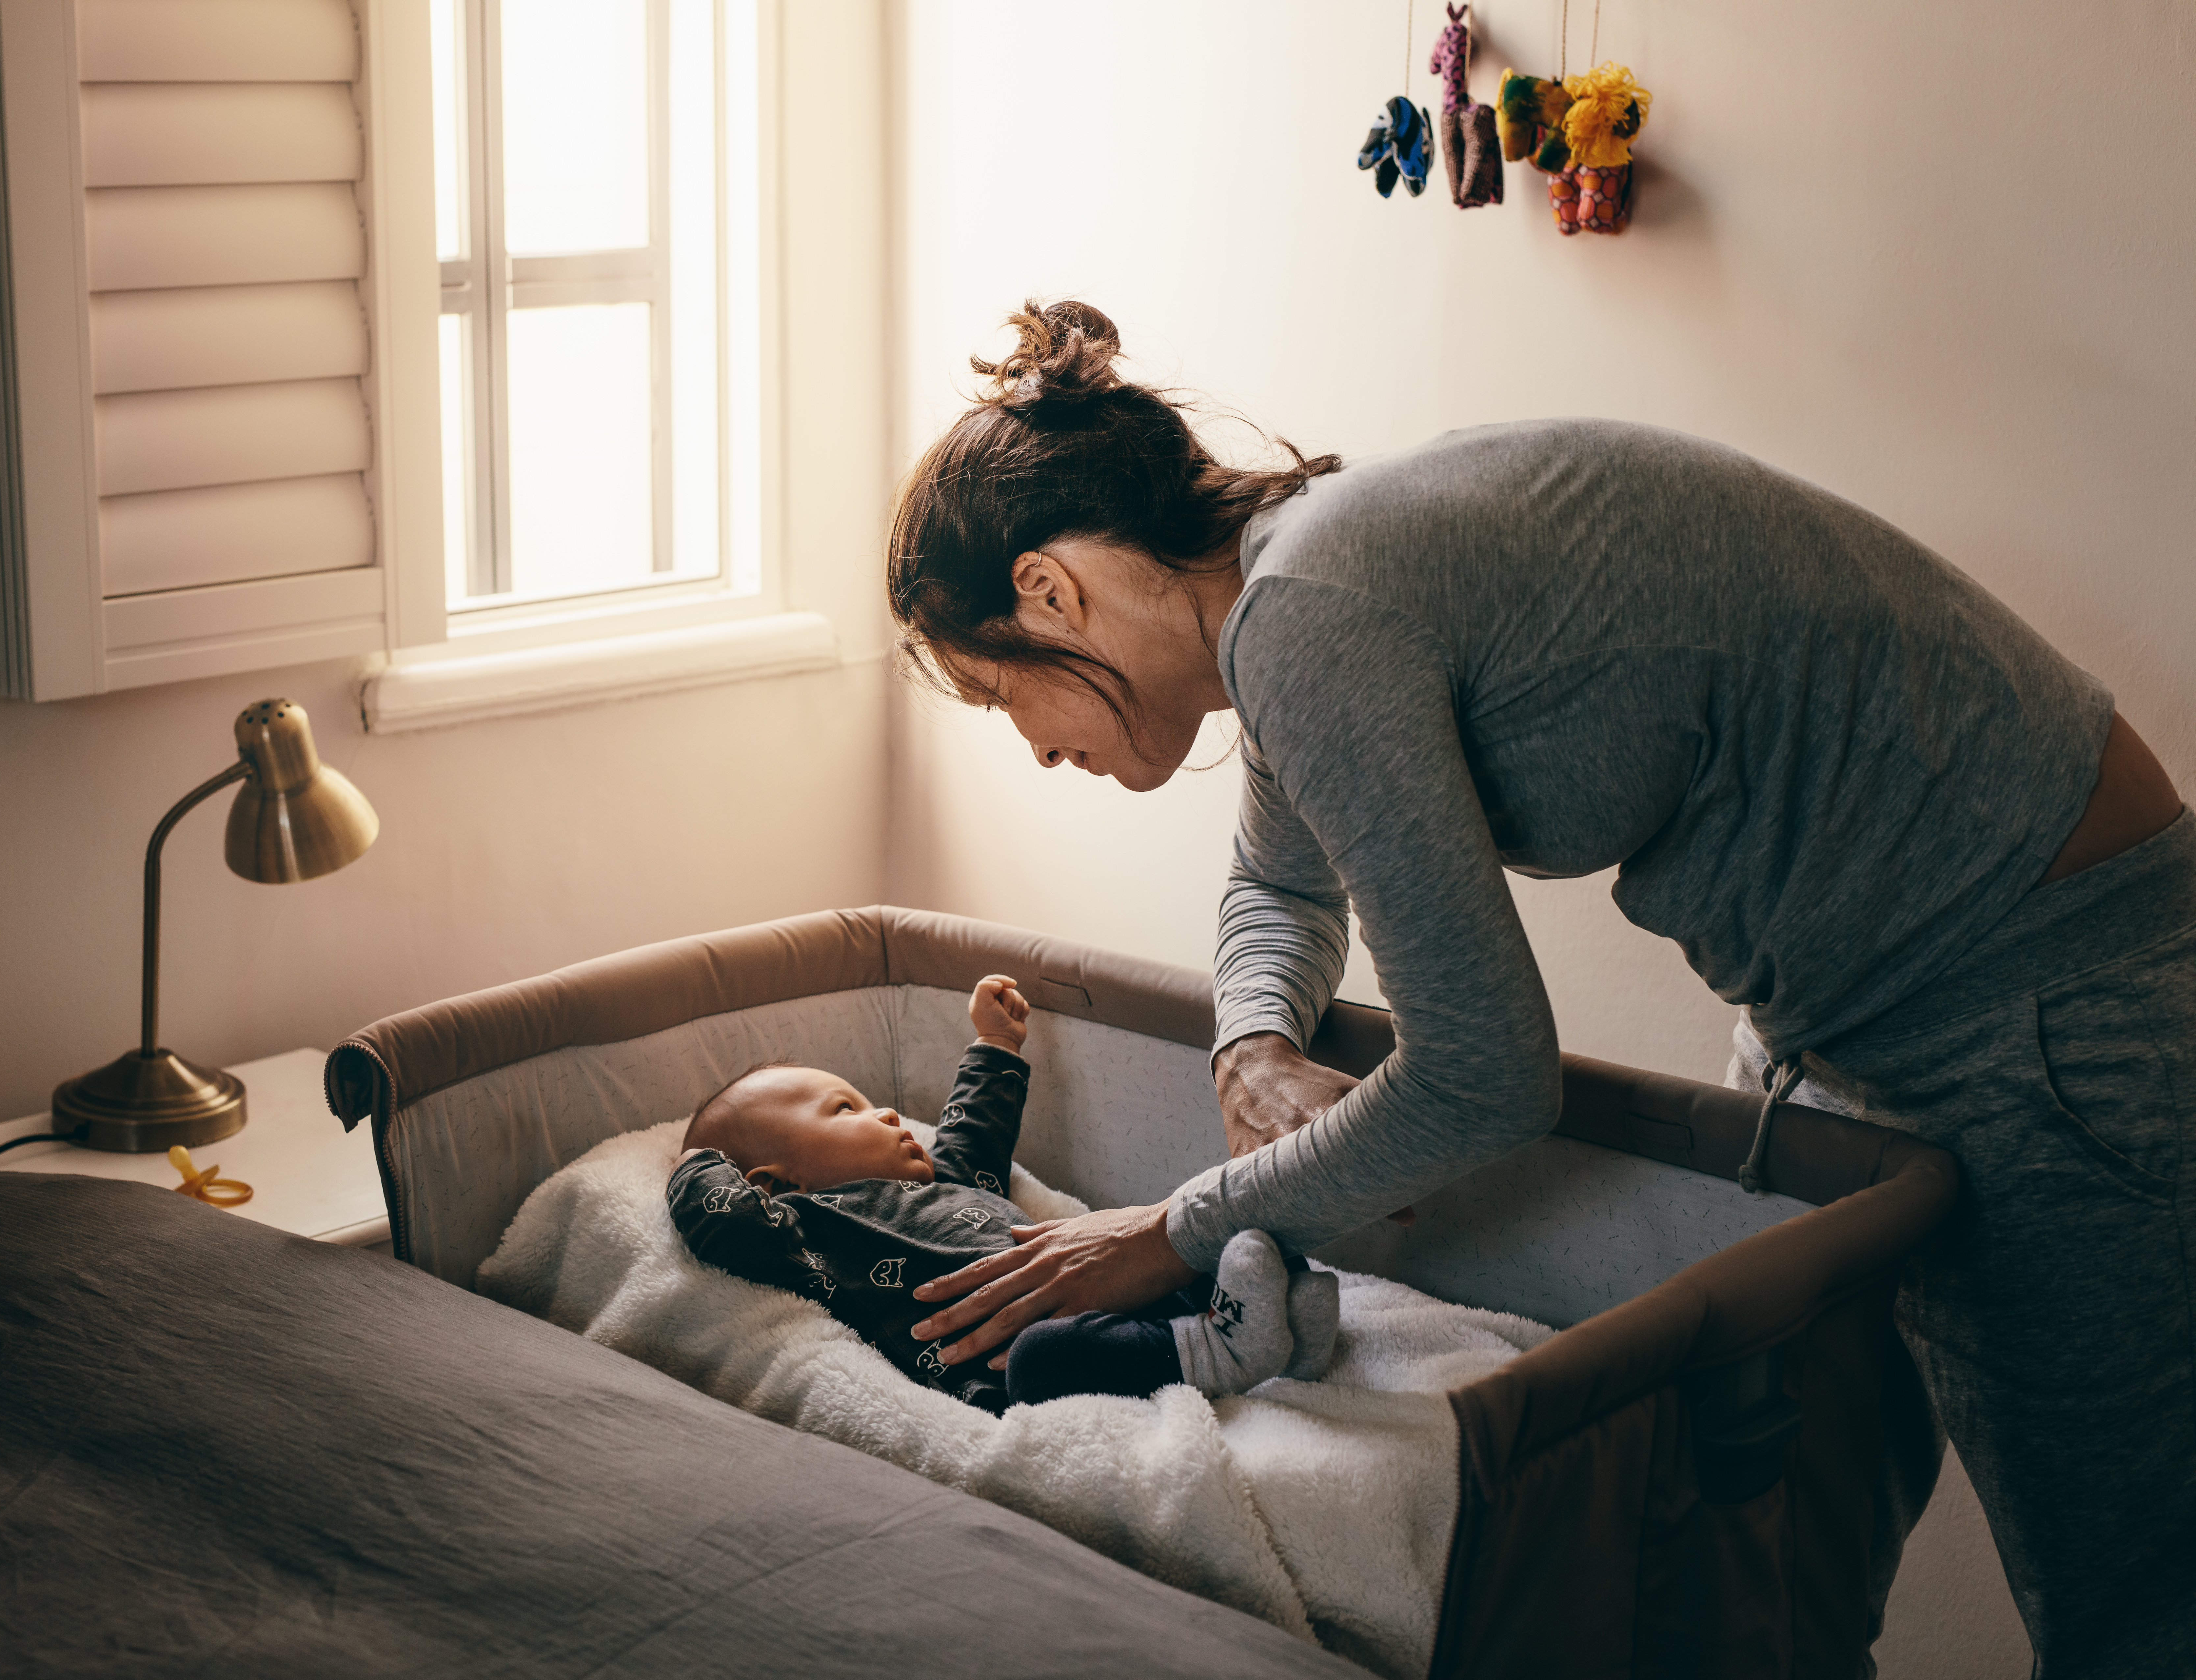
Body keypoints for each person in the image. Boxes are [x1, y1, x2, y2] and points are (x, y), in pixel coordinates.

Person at [883, 299, 2192, 1676]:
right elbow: (1277, 888)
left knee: (2127, 1601)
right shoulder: (1291, 592)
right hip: (1839, 1009)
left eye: (997, 697)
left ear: (1046, 592)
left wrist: (1175, 1230)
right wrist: (1249, 1042)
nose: (1030, 748)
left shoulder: (1307, 613)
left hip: (2037, 987)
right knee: (1772, 1555)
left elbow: (1484, 1074)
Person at [666, 974, 1340, 1412]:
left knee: (1207, 1238)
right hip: (1011, 1361)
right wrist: (696, 1162)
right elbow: (726, 1225)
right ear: (775, 1183)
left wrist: (995, 1041)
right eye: (846, 1111)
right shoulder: (808, 1233)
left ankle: (1274, 1328)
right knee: (1043, 1357)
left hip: (1098, 1286)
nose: (889, 1116)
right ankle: (1220, 1349)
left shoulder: (945, 1182)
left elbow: (975, 1138)